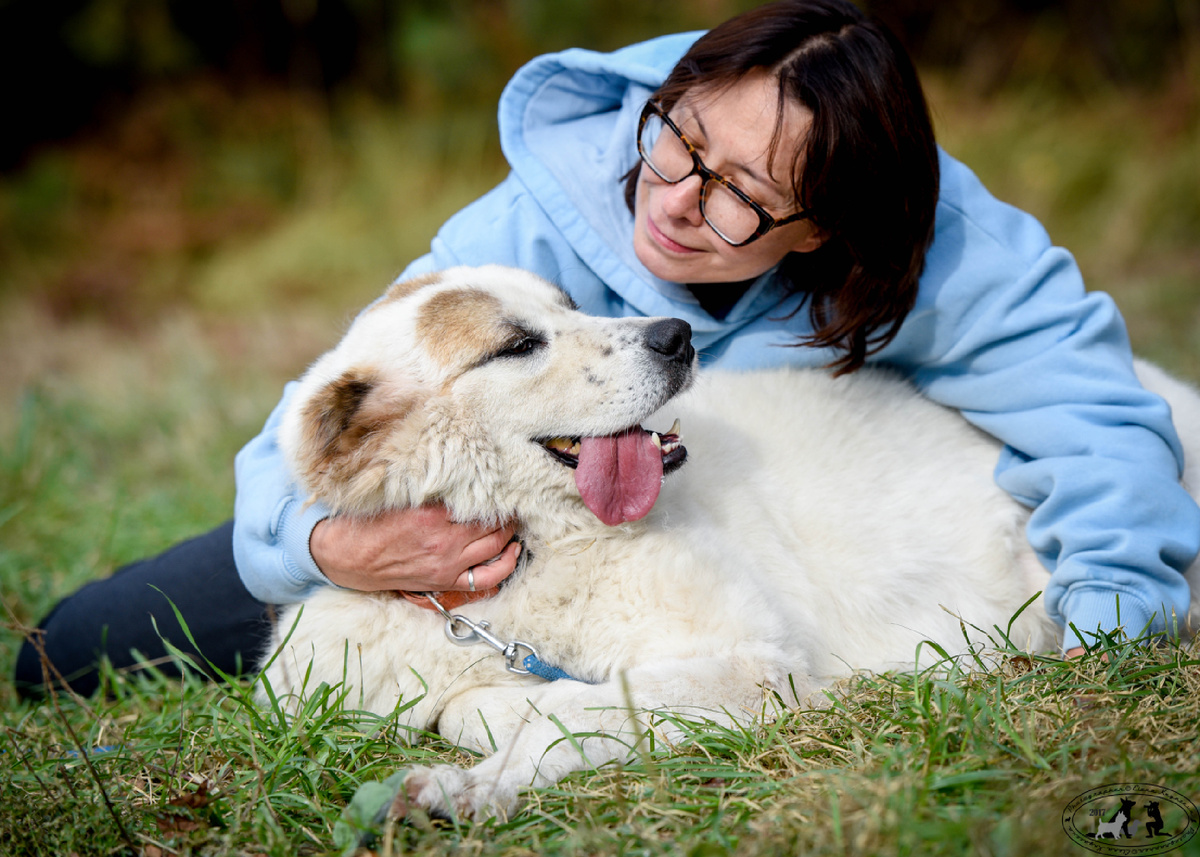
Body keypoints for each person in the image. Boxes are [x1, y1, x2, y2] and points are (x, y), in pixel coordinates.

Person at [16, 0, 1198, 698]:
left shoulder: (958, 256)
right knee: (72, 650)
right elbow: (326, 418)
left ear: (825, 227)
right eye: (681, 139)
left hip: (745, 520)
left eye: (740, 194)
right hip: (495, 513)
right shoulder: (537, 216)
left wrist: (1107, 644)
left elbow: (1101, 430)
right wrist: (334, 541)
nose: (676, 200)